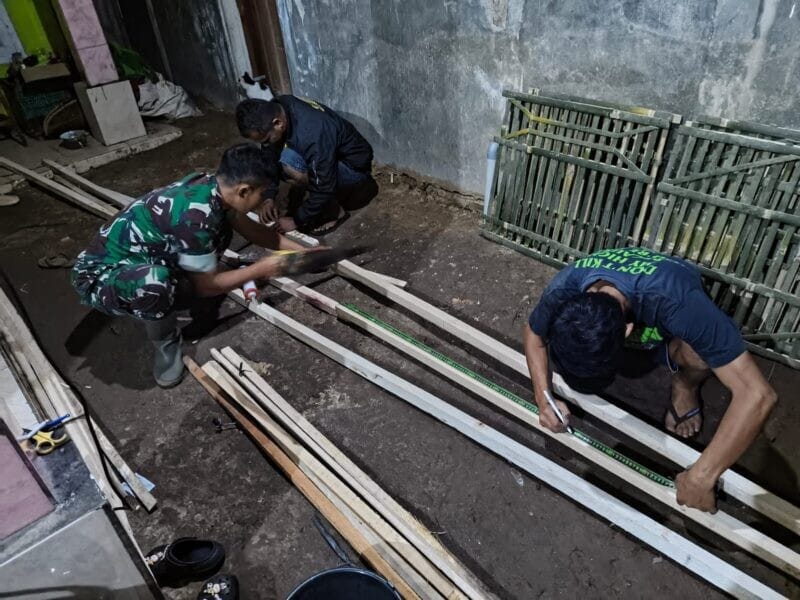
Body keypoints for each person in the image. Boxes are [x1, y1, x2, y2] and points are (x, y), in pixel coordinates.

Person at [522, 247, 777, 512]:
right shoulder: (565, 289)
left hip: (668, 312)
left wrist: (702, 476)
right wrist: (543, 397)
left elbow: (758, 395)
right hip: (636, 314)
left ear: (627, 331)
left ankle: (684, 385)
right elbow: (534, 334)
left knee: (701, 353)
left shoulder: (680, 303)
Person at [72, 143, 312, 388]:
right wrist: (263, 268)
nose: (263, 202)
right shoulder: (197, 216)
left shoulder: (217, 189)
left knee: (219, 232)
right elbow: (207, 287)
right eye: (262, 195)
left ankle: (181, 276)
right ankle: (166, 343)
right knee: (155, 283)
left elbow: (251, 229)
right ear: (244, 191)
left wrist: (304, 252)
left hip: (144, 256)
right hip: (100, 277)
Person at [235, 96, 378, 235]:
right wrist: (269, 196)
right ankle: (314, 197)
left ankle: (334, 211)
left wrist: (296, 220)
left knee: (289, 164)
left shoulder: (312, 131)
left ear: (278, 123)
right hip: (331, 156)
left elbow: (324, 185)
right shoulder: (280, 106)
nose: (265, 145)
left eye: (266, 140)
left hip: (354, 170)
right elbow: (269, 156)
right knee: (283, 158)